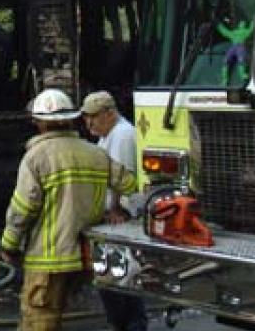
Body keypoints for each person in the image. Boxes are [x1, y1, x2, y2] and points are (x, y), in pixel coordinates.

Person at [0, 88, 137, 331]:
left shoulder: (36, 157)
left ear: (39, 122)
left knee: (39, 321)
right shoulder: (96, 154)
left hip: (47, 261)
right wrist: (123, 214)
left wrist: (9, 245)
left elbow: (22, 209)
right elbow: (132, 185)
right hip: (85, 257)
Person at [82, 90, 149, 331]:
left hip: (122, 217)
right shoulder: (107, 136)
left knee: (123, 276)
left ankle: (131, 324)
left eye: (94, 117)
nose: (89, 123)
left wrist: (113, 209)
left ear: (109, 113)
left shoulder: (122, 134)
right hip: (113, 217)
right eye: (86, 118)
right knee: (113, 276)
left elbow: (122, 177)